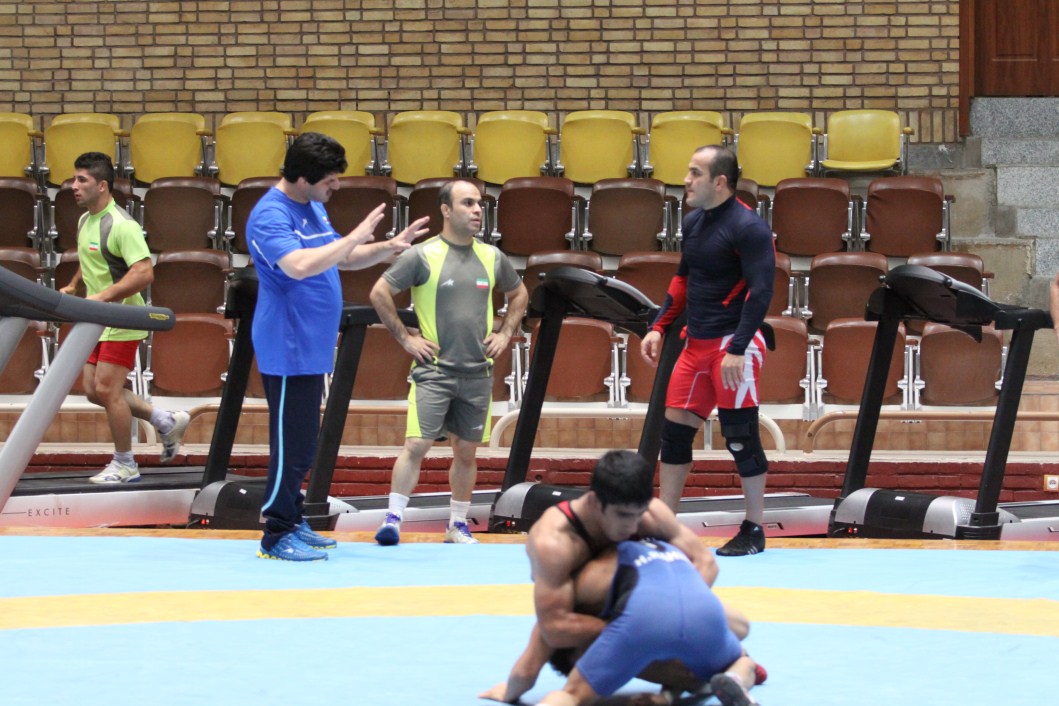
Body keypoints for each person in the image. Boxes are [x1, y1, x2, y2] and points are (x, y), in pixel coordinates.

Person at [247, 132, 429, 562]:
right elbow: (299, 266)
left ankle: (293, 519)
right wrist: (354, 235)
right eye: (329, 180)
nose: (336, 187)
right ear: (303, 178)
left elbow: (343, 259)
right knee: (290, 446)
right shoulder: (270, 215)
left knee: (304, 445)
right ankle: (275, 534)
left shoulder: (312, 206)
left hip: (310, 344)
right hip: (286, 345)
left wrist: (386, 248)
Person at [369, 179, 529, 546]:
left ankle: (457, 524)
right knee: (416, 445)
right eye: (467, 203)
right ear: (446, 209)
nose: (477, 210)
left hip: (477, 373)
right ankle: (393, 519)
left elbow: (519, 293)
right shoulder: (422, 255)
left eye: (479, 204)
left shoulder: (492, 257)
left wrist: (505, 333)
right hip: (434, 371)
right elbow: (379, 292)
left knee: (466, 452)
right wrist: (406, 339)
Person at [639, 145, 775, 556]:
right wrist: (658, 326)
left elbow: (761, 291)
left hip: (734, 345)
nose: (686, 180)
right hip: (695, 344)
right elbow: (682, 280)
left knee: (740, 437)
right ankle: (666, 526)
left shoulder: (749, 228)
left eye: (695, 173)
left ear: (720, 181)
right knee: (674, 437)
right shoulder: (693, 221)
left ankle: (754, 528)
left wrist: (738, 347)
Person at [482, 539, 760, 706]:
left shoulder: (575, 586)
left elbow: (527, 670)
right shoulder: (656, 535)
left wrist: (509, 691)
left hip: (645, 623)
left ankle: (681, 687)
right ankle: (730, 677)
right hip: (699, 612)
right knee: (743, 659)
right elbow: (741, 625)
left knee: (574, 693)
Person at [58, 152, 191, 484]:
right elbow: (91, 257)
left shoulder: (122, 225)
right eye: (74, 179)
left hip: (122, 319)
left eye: (82, 180)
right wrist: (74, 285)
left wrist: (103, 297)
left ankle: (125, 463)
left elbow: (144, 273)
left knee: (108, 390)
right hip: (96, 318)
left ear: (102, 186)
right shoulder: (85, 220)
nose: (74, 186)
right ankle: (165, 421)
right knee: (93, 390)